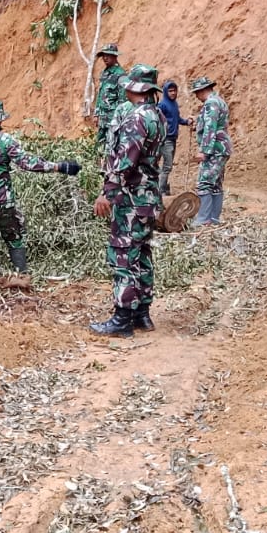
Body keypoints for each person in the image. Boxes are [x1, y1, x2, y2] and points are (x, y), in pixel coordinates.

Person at [0, 100, 81, 298]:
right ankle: (23, 282)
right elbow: (28, 163)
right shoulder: (6, 140)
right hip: (4, 205)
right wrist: (60, 166)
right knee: (14, 239)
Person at [90, 64, 167, 337]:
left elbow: (125, 162)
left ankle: (122, 318)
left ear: (136, 87)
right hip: (148, 197)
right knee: (142, 253)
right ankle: (142, 314)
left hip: (131, 198)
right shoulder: (158, 115)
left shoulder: (137, 117)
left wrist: (107, 192)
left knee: (124, 256)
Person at [189, 75, 231, 225]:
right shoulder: (219, 101)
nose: (196, 96)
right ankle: (213, 218)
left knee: (205, 182)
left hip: (214, 149)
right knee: (216, 184)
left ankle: (203, 219)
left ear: (202, 90)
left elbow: (210, 127)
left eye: (196, 93)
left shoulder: (210, 103)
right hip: (221, 148)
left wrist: (204, 151)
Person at [89, 44, 126, 146]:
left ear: (115, 56)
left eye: (108, 55)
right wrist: (96, 114)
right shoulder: (104, 73)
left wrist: (117, 118)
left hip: (113, 119)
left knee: (111, 146)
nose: (105, 58)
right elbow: (100, 94)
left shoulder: (121, 75)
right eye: (104, 55)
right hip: (103, 119)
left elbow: (123, 101)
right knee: (100, 145)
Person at [157, 80, 183, 194]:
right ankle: (161, 190)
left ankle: (162, 186)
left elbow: (177, 119)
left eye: (174, 91)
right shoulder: (162, 105)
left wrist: (186, 122)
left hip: (173, 138)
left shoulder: (174, 104)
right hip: (165, 139)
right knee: (167, 166)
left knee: (168, 165)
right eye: (170, 91)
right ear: (165, 92)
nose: (173, 93)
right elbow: (156, 118)